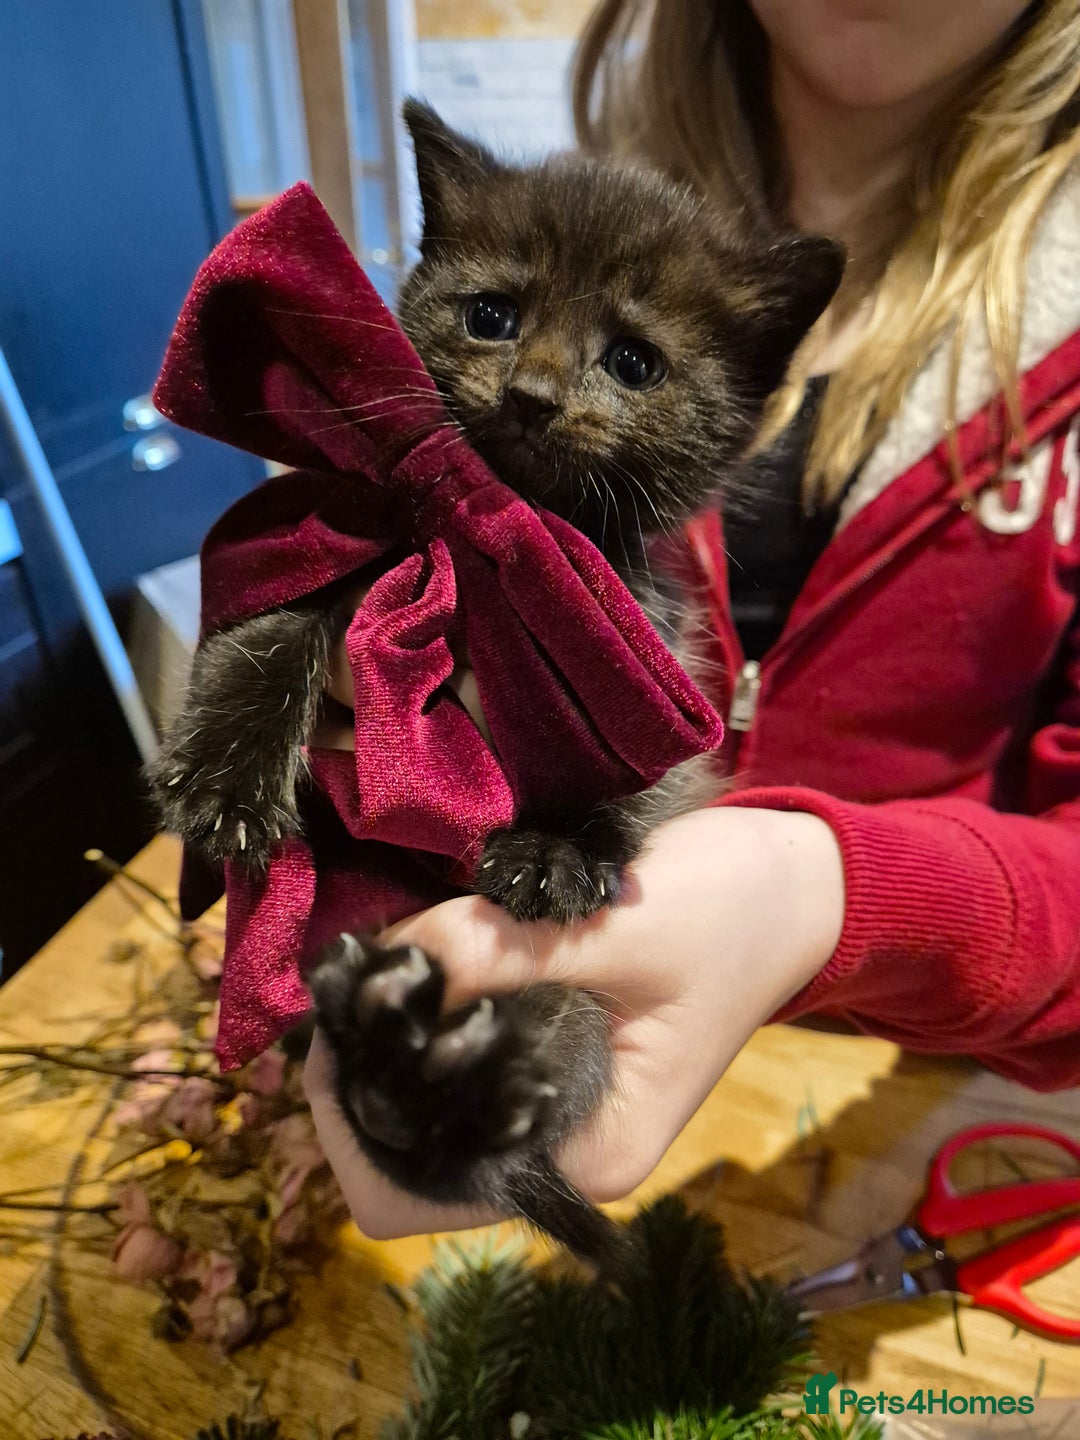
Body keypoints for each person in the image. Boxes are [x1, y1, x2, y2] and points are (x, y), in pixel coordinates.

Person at [304, 0, 1080, 1239]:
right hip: (516, 944)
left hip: (895, 1092)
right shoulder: (566, 205)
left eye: (633, 363)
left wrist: (829, 900)